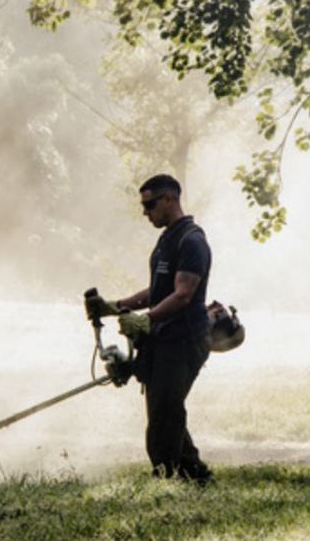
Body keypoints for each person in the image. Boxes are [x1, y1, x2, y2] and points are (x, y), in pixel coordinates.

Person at [87, 174, 213, 486]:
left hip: (184, 341)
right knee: (164, 408)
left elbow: (183, 294)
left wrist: (146, 320)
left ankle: (165, 477)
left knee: (164, 413)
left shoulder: (192, 241)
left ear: (170, 200)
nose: (146, 212)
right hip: (163, 339)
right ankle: (195, 475)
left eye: (150, 204)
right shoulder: (166, 240)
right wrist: (115, 306)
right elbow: (157, 289)